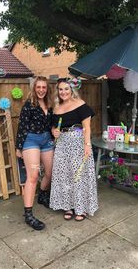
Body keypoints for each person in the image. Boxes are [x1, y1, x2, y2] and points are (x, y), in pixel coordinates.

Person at [50, 77, 98, 221]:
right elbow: (53, 127)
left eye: (66, 89)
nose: (63, 92)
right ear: (57, 92)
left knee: (79, 175)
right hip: (62, 144)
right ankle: (67, 206)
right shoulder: (56, 108)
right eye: (60, 89)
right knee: (64, 175)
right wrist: (54, 132)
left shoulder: (80, 104)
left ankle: (81, 208)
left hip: (78, 142)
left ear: (72, 90)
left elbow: (87, 127)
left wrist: (87, 145)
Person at [16, 76, 54, 230]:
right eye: (38, 87)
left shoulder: (50, 104)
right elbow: (22, 126)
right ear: (34, 88)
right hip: (31, 140)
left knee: (50, 172)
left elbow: (51, 124)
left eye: (44, 87)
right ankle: (28, 214)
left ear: (47, 89)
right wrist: (19, 147)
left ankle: (43, 195)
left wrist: (54, 132)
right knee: (32, 176)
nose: (41, 90)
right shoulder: (29, 105)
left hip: (46, 139)